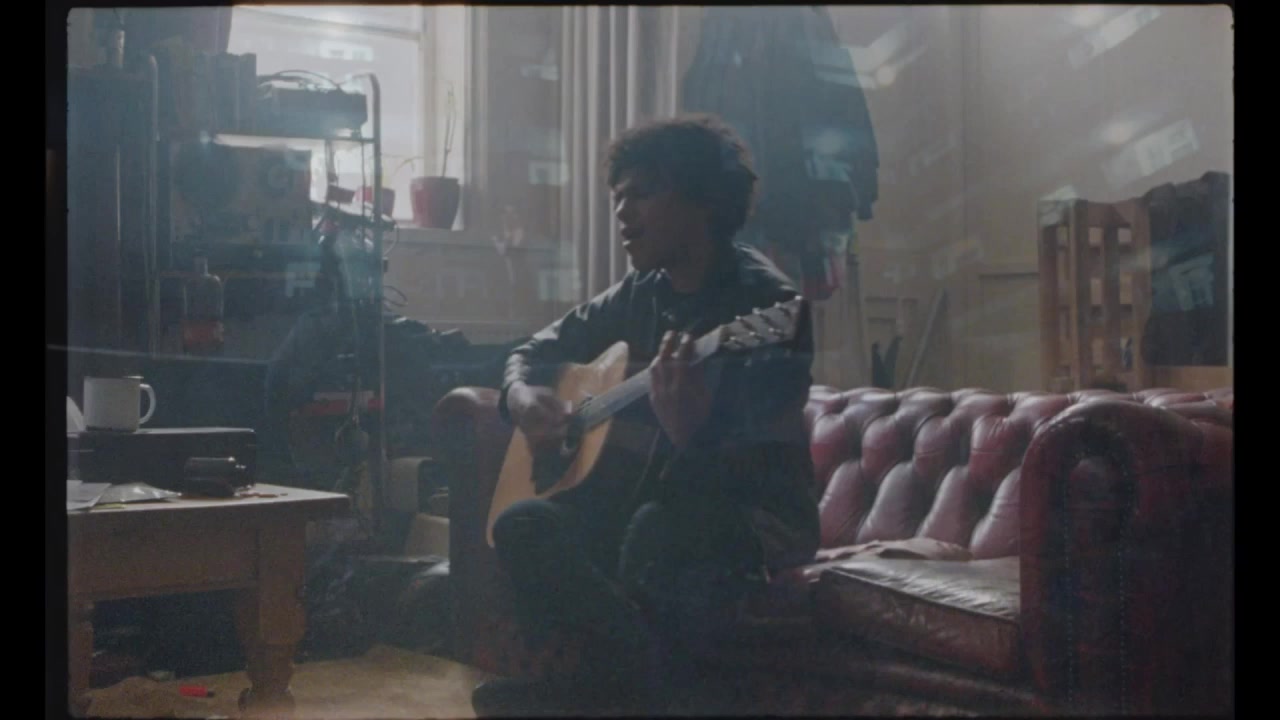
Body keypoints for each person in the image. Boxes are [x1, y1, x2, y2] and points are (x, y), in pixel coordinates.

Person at [471, 113, 821, 716]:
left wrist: (692, 434)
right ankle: (633, 691)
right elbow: (532, 351)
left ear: (701, 200)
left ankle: (596, 694)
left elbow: (754, 470)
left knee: (657, 529)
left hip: (749, 516)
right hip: (643, 501)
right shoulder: (639, 291)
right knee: (521, 524)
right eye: (617, 196)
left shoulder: (769, 309)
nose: (621, 211)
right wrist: (521, 397)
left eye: (642, 193)